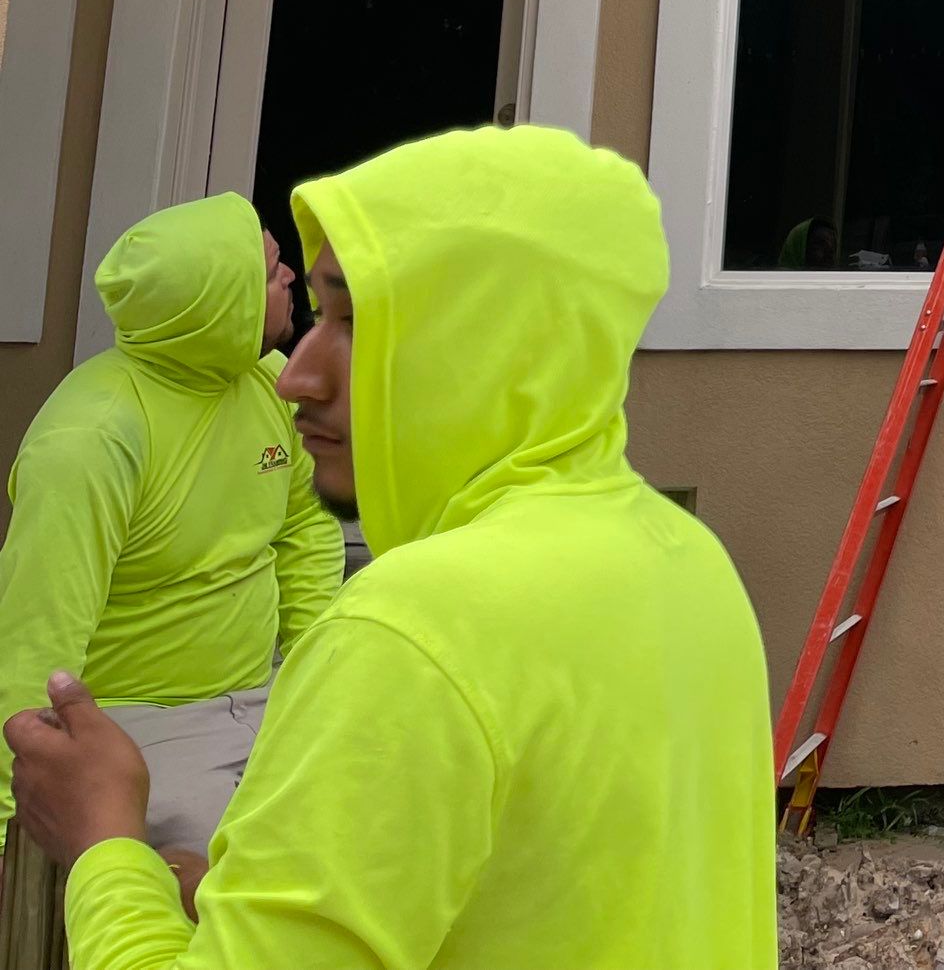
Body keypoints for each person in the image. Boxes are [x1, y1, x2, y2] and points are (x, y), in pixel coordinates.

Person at [3, 126, 775, 967]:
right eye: (315, 313)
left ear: (489, 345)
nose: (296, 373)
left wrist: (105, 846)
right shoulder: (690, 562)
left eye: (356, 322)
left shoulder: (408, 639)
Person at [0, 197, 339, 883]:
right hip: (140, 725)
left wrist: (319, 675)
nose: (290, 279)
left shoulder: (271, 386)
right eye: (271, 267)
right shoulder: (92, 440)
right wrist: (7, 818)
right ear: (219, 300)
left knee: (370, 833)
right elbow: (37, 634)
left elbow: (305, 529)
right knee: (254, 893)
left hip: (267, 695)